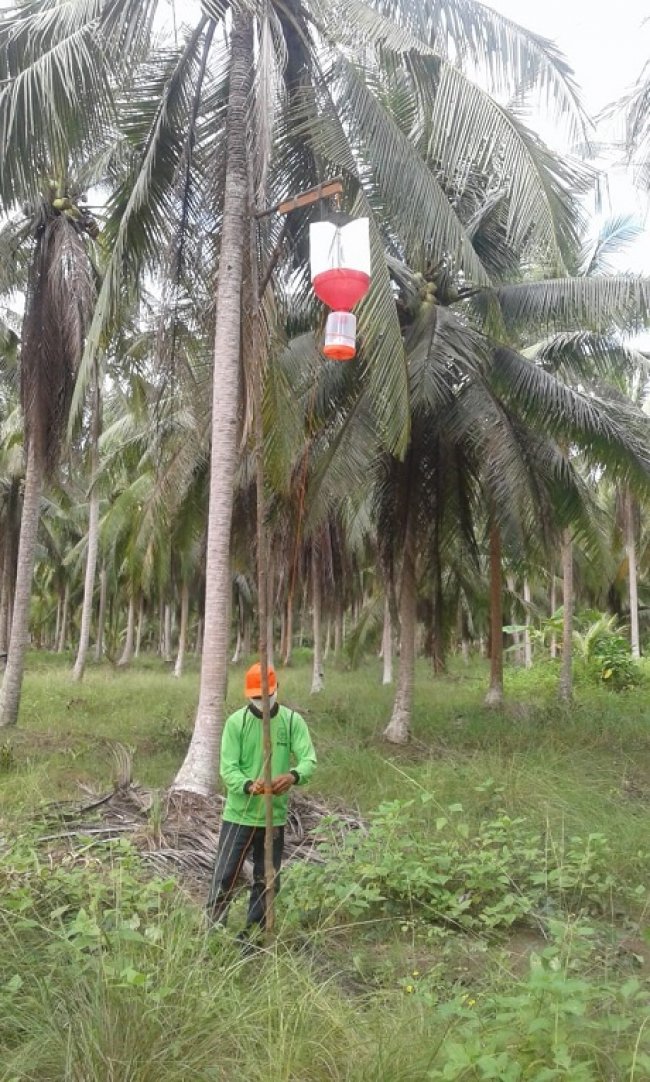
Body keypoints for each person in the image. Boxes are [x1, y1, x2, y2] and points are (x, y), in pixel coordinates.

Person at [206, 662, 317, 937]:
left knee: (267, 881)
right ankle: (214, 934)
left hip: (273, 817)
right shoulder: (236, 723)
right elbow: (227, 768)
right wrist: (247, 785)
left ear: (276, 690)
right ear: (248, 695)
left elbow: (309, 760)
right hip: (239, 815)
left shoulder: (292, 722)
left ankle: (251, 938)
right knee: (224, 877)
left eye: (265, 697)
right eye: (256, 698)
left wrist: (292, 776)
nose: (261, 703)